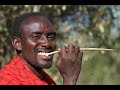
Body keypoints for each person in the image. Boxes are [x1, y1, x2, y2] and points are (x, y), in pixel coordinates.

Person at [0, 12, 83, 85]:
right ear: (17, 43)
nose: (46, 43)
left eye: (51, 37)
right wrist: (69, 79)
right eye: (36, 37)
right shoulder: (7, 80)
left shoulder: (46, 80)